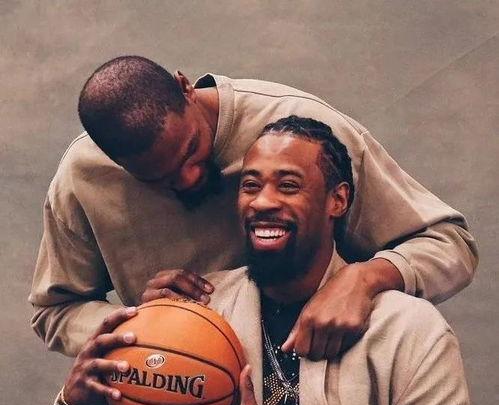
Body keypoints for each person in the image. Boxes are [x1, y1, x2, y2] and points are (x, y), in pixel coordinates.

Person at [54, 116, 481, 405]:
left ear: (337, 200)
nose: (263, 202)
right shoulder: (202, 320)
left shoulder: (408, 331)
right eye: (251, 185)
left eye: (289, 185)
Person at [30, 56, 478, 364]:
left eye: (191, 150)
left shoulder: (304, 131)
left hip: (331, 404)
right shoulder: (82, 177)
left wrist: (364, 279)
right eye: (158, 178)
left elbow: (449, 245)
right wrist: (141, 326)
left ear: (186, 89)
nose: (187, 178)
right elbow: (55, 311)